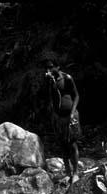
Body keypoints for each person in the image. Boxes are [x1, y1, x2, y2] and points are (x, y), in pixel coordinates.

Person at [41, 51, 81, 184]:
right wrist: (49, 83)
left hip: (70, 116)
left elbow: (76, 96)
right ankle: (68, 173)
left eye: (51, 67)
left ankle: (76, 173)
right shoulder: (50, 81)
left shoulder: (67, 78)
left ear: (57, 66)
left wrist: (72, 113)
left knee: (72, 144)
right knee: (63, 145)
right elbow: (48, 98)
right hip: (59, 117)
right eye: (46, 68)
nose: (48, 70)